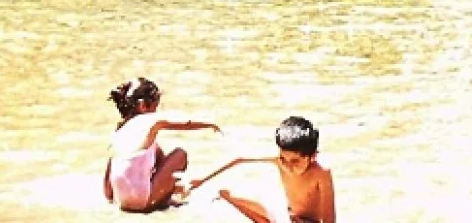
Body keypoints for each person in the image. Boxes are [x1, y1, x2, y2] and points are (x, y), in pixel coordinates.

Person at [103, 76, 221, 213]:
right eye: (155, 105)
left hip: (122, 202)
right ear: (143, 106)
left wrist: (114, 198)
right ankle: (164, 197)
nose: (156, 111)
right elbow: (185, 123)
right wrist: (210, 124)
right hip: (142, 201)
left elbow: (108, 185)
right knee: (180, 154)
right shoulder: (148, 119)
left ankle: (165, 193)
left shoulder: (119, 132)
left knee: (157, 152)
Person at [186, 115, 336, 223]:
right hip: (288, 217)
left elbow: (329, 219)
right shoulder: (278, 160)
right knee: (233, 197)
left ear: (313, 156)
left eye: (295, 161)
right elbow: (239, 159)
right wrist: (203, 180)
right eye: (284, 159)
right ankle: (224, 196)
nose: (287, 166)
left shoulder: (321, 172)